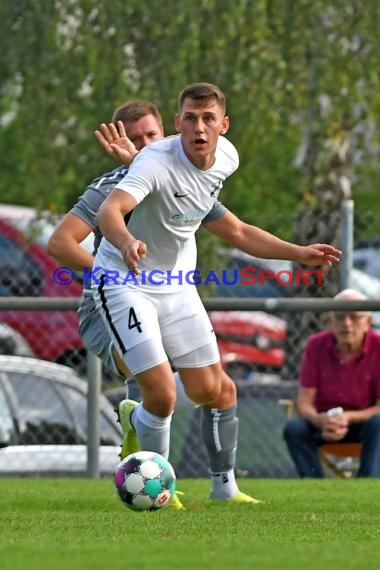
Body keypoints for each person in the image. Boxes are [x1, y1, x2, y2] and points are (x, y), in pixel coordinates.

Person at [91, 82, 341, 504]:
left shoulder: (226, 158)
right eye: (190, 118)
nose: (199, 127)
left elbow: (236, 230)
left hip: (177, 287)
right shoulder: (154, 161)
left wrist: (298, 252)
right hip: (125, 282)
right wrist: (125, 241)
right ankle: (158, 492)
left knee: (218, 389)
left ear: (224, 125)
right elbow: (108, 210)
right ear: (178, 123)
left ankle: (224, 489)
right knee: (162, 393)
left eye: (209, 119)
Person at [48, 98, 243, 510]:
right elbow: (60, 243)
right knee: (155, 382)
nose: (143, 144)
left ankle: (219, 482)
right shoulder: (110, 186)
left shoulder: (185, 174)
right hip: (108, 305)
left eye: (150, 136)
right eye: (134, 138)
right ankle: (156, 481)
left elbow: (234, 229)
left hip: (166, 296)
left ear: (165, 135)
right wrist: (116, 272)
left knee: (213, 387)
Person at [283, 288, 380, 478]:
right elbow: (304, 402)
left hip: (364, 424)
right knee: (294, 429)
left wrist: (347, 417)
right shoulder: (315, 345)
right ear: (331, 321)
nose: (347, 324)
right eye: (340, 317)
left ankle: (367, 485)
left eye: (354, 317)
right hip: (324, 423)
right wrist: (320, 420)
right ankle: (314, 486)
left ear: (368, 322)